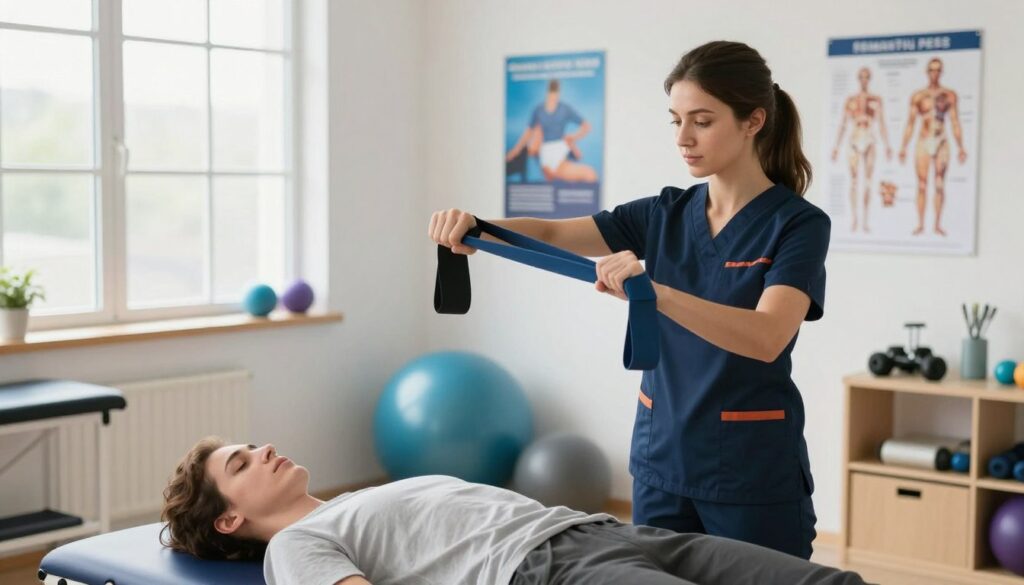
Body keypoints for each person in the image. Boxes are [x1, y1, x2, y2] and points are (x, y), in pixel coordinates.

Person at [430, 40, 829, 559]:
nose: (683, 138)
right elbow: (552, 233)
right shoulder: (662, 213)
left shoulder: (797, 224)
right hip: (661, 460)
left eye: (702, 121)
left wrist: (655, 292)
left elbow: (767, 335)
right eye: (676, 120)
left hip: (749, 471)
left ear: (753, 121)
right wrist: (476, 228)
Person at [161, 437, 870, 584]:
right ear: (228, 519)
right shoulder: (296, 547)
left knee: (831, 583)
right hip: (543, 570)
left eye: (253, 444)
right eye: (241, 462)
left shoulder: (356, 500)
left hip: (608, 530)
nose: (265, 450)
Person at [897, 57, 967, 236]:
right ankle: (920, 223)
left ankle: (936, 224)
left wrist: (960, 146)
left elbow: (955, 121)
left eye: (937, 70)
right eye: (931, 70)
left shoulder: (949, 95)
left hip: (941, 139)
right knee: (921, 184)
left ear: (941, 72)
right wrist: (903, 147)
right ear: (927, 72)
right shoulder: (919, 96)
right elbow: (911, 123)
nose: (934, 73)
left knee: (939, 183)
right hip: (924, 139)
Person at [831, 67, 892, 233]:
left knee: (867, 182)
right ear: (859, 79)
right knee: (854, 181)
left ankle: (865, 220)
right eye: (862, 77)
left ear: (869, 79)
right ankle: (855, 219)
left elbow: (881, 123)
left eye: (867, 77)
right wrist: (836, 146)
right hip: (855, 138)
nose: (864, 80)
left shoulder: (876, 99)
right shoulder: (851, 100)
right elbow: (843, 123)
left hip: (869, 137)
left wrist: (887, 145)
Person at [506, 79, 599, 183]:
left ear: (558, 94)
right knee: (589, 174)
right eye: (551, 95)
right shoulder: (539, 110)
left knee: (589, 174)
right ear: (548, 93)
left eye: (555, 95)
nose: (553, 98)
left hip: (560, 150)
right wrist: (516, 150)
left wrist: (573, 137)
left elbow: (586, 126)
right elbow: (528, 132)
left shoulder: (564, 109)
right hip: (546, 154)